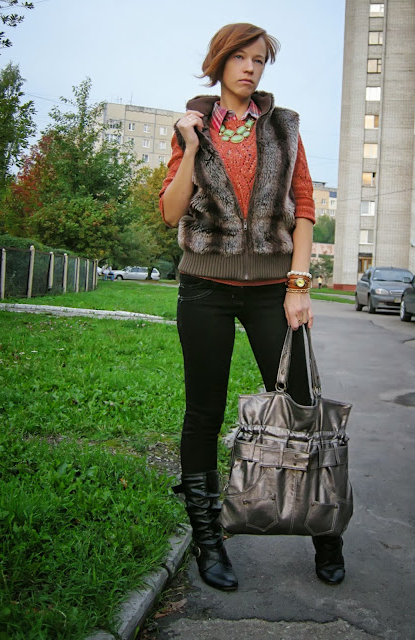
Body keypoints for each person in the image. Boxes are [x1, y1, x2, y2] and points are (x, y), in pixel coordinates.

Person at [159, 23, 345, 591]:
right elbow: (170, 212)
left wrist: (299, 284)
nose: (249, 67)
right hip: (204, 289)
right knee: (203, 413)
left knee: (301, 405)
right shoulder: (191, 127)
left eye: (259, 59)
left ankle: (325, 531)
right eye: (239, 57)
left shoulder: (284, 126)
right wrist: (191, 148)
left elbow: (305, 206)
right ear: (219, 63)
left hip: (272, 290)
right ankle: (208, 541)